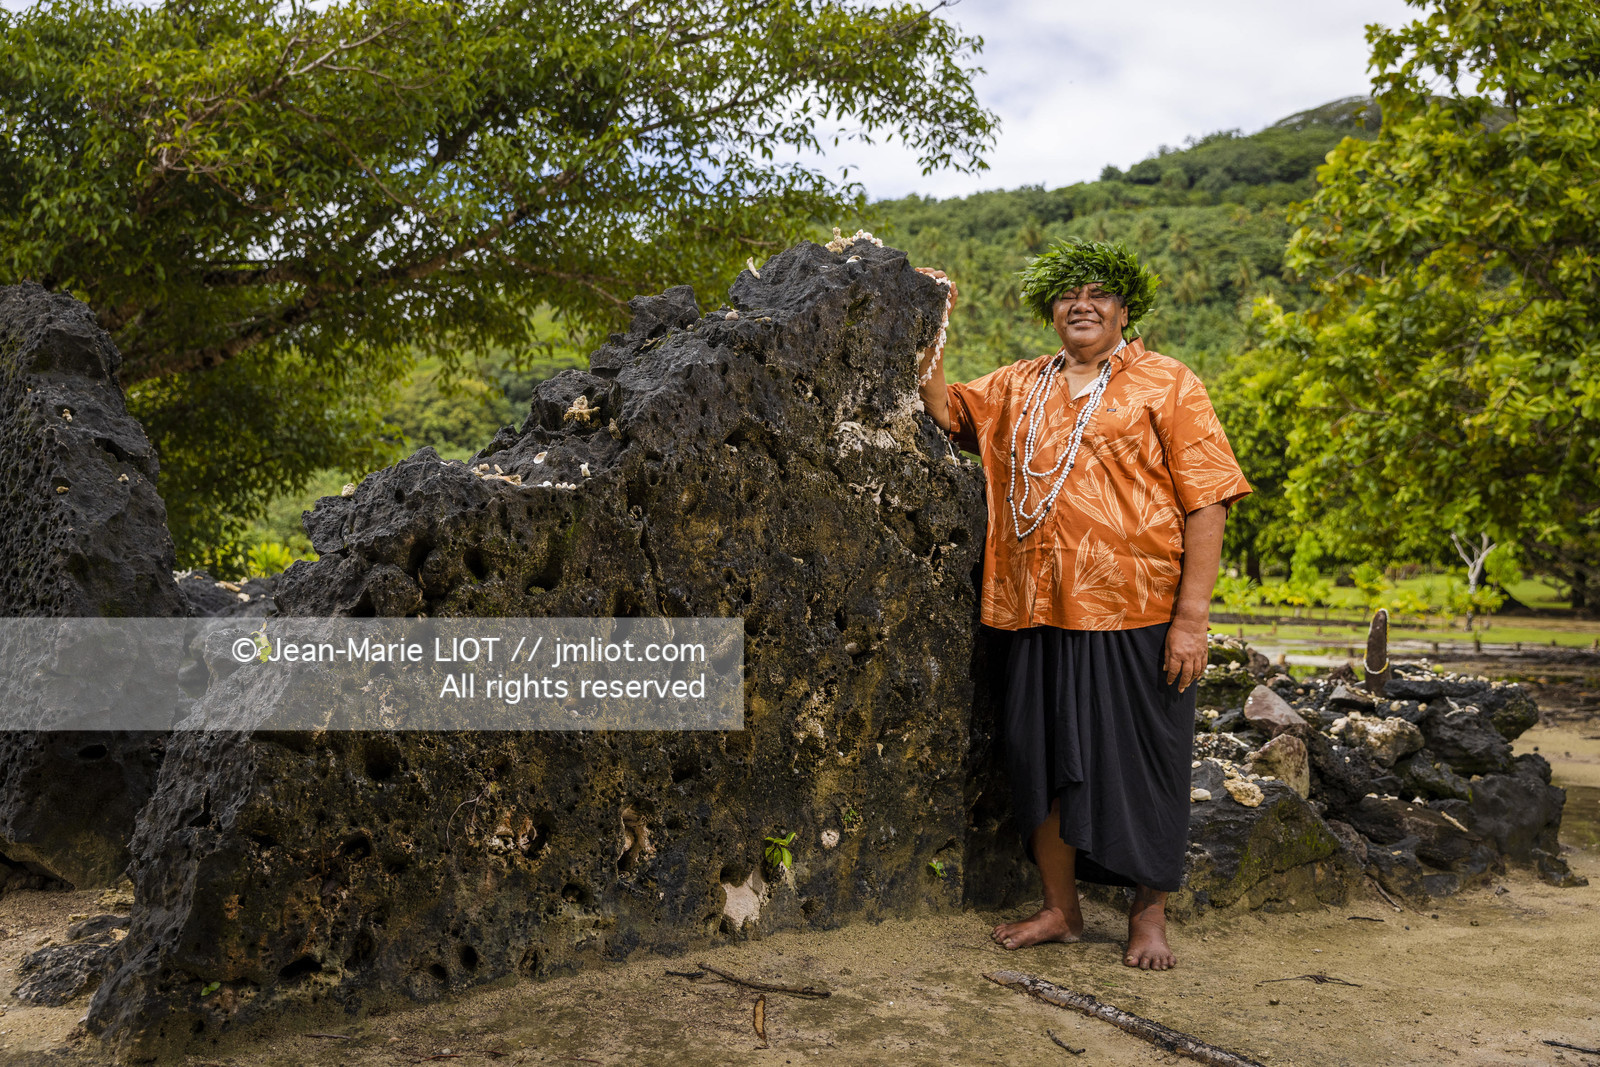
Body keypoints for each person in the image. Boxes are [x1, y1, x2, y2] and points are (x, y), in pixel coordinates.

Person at [916, 239, 1251, 970]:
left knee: (1143, 764)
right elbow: (944, 408)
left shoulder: (1168, 382)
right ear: (1052, 312)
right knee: (1040, 762)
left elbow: (1209, 499)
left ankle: (1149, 915)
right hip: (1033, 607)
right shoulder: (1020, 383)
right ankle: (1061, 910)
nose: (1082, 305)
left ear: (1125, 310)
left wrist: (1191, 619)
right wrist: (935, 316)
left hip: (1136, 611)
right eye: (1069, 295)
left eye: (1099, 294)